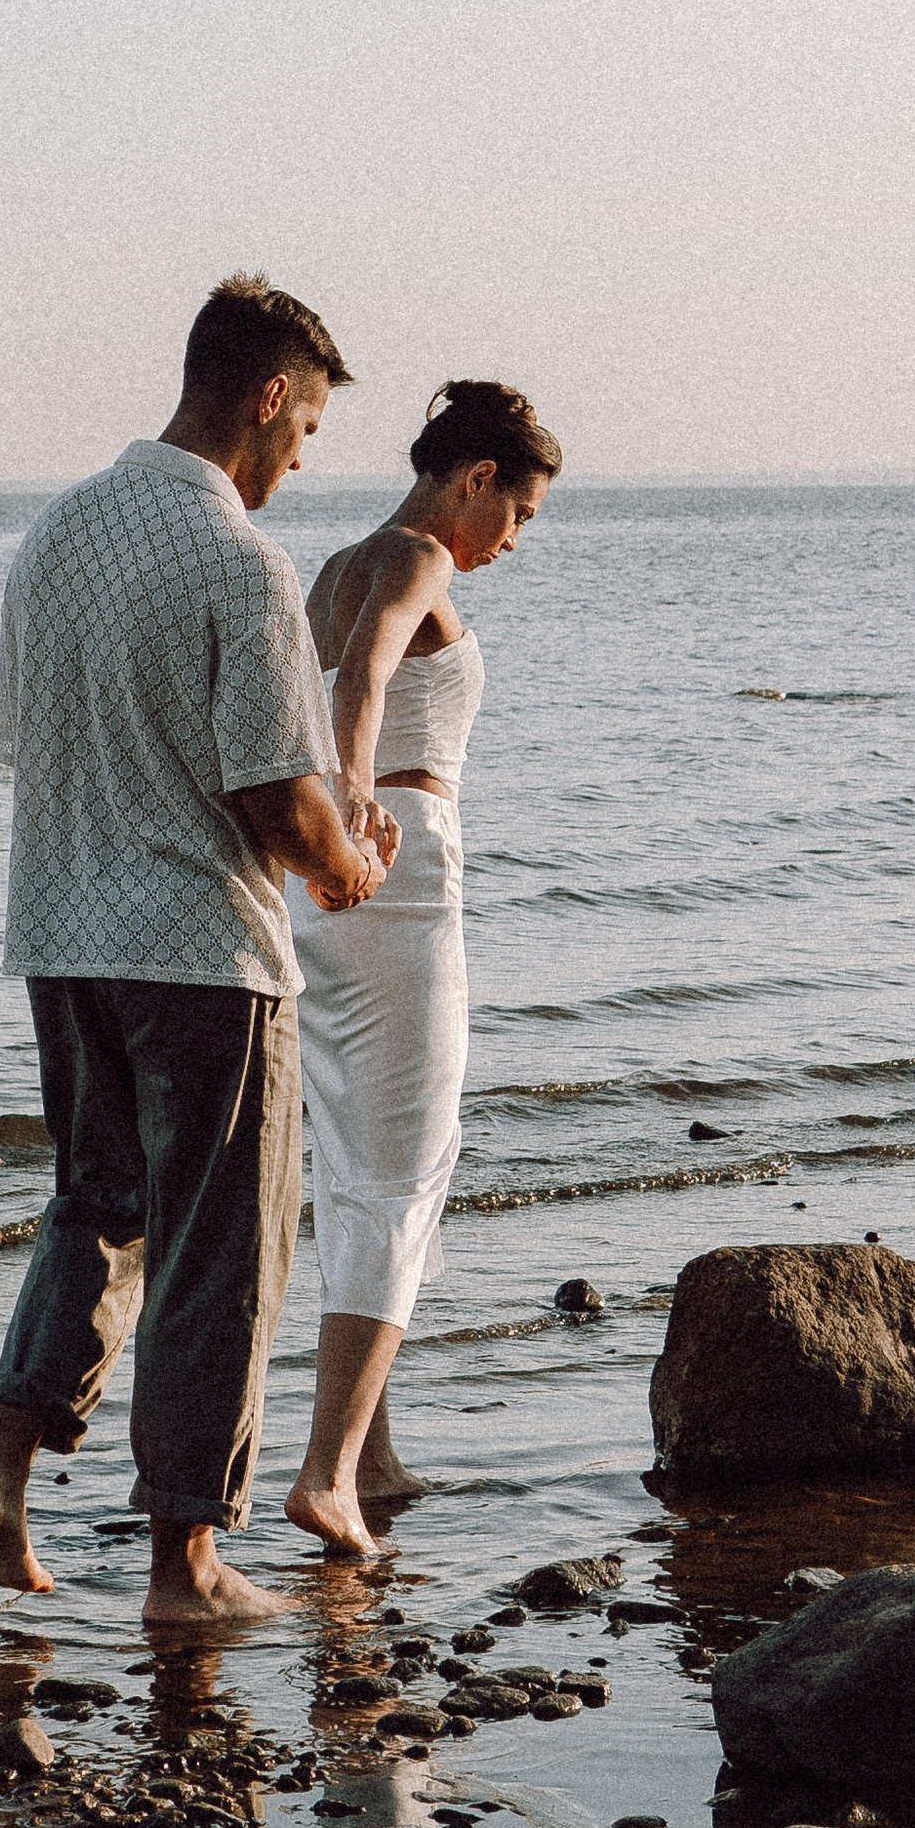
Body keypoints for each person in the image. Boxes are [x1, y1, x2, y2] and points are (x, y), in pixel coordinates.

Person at [0, 273, 390, 1631]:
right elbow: (273, 793)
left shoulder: (59, 532)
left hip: (62, 937)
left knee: (99, 1209)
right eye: (305, 431)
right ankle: (186, 1568)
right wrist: (347, 860)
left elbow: (28, 744)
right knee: (222, 1251)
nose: (298, 462)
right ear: (267, 397)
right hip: (200, 952)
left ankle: (2, 1465)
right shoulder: (237, 560)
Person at [283, 379, 562, 1558]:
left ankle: (371, 1452)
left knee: (352, 1166)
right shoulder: (411, 561)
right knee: (404, 1170)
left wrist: (313, 835)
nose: (513, 541)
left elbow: (285, 701)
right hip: (395, 868)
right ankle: (329, 1475)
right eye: (521, 514)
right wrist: (353, 794)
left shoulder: (333, 563)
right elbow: (360, 682)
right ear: (476, 480)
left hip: (327, 890)